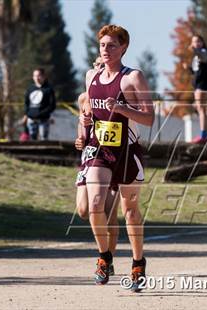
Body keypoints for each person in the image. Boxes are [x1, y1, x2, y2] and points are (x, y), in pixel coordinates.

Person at [80, 24, 154, 289]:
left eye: (112, 45)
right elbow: (88, 108)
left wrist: (123, 108)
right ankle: (104, 256)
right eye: (102, 45)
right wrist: (86, 119)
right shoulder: (91, 76)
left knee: (130, 212)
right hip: (101, 150)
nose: (106, 50)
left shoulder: (133, 77)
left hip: (127, 151)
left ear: (123, 48)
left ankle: (138, 263)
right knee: (95, 203)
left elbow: (149, 117)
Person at [74, 88, 119, 276]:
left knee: (109, 215)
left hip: (114, 157)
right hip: (90, 157)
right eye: (98, 66)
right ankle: (106, 255)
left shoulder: (118, 94)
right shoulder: (84, 98)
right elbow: (82, 125)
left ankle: (107, 259)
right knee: (84, 210)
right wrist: (80, 139)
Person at [185, 34, 207, 144]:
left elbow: (203, 57)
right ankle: (204, 135)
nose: (196, 43)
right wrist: (189, 69)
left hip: (202, 84)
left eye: (198, 41)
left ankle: (204, 136)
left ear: (202, 42)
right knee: (200, 108)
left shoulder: (204, 52)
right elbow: (197, 71)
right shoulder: (196, 57)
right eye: (194, 42)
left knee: (201, 109)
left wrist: (195, 50)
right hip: (198, 85)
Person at [23, 68, 56, 140]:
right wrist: (26, 114)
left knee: (44, 138)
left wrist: (44, 114)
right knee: (32, 138)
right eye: (35, 76)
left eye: (38, 76)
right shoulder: (30, 88)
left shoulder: (49, 89)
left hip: (44, 119)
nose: (37, 78)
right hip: (31, 118)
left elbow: (52, 105)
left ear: (44, 76)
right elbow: (26, 103)